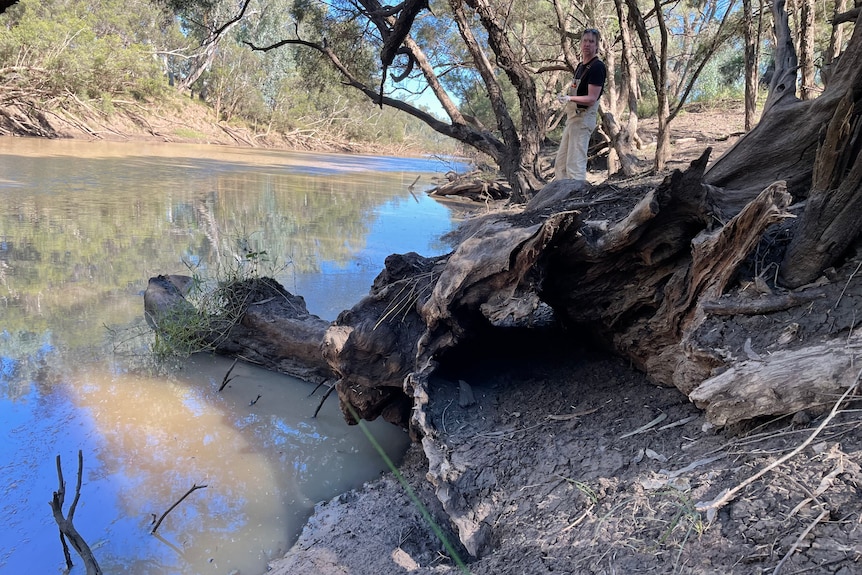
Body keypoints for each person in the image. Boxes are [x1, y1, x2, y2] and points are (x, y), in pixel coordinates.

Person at [554, 28, 607, 182]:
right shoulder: (580, 66)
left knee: (575, 164)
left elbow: (591, 98)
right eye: (585, 40)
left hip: (583, 119)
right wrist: (565, 98)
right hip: (572, 119)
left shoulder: (597, 67)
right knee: (561, 164)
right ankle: (561, 197)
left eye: (591, 41)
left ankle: (576, 199)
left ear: (597, 45)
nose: (587, 44)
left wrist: (570, 98)